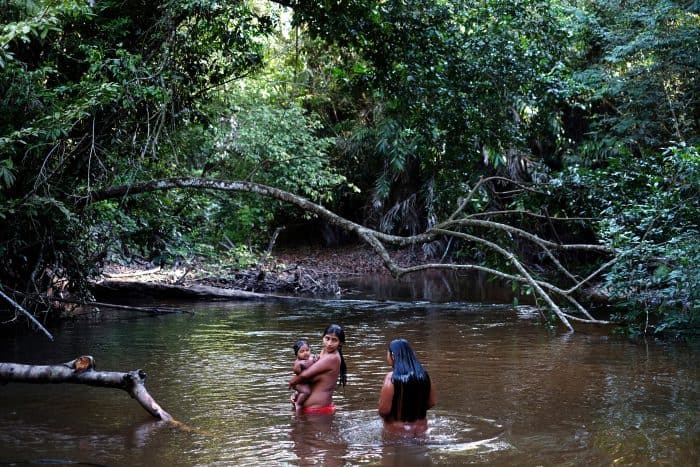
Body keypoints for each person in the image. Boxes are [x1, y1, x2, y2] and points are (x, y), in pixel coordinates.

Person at [378, 338, 436, 434]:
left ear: (393, 356)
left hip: (397, 432)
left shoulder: (391, 378)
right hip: (422, 430)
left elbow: (384, 410)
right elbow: (432, 402)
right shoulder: (424, 375)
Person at [288, 324, 347, 415]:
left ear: (340, 343)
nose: (329, 343)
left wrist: (292, 382)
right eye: (327, 338)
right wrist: (298, 393)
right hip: (313, 411)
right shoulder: (325, 351)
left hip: (318, 411)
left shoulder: (332, 358)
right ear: (322, 337)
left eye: (334, 340)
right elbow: (315, 378)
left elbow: (305, 375)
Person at [290, 339, 318, 410]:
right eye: (302, 351)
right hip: (301, 383)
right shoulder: (298, 362)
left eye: (307, 350)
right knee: (306, 392)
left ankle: (297, 394)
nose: (305, 353)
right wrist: (299, 365)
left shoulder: (311, 358)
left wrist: (316, 359)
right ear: (297, 354)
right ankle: (298, 404)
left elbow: (315, 364)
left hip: (307, 382)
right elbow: (296, 372)